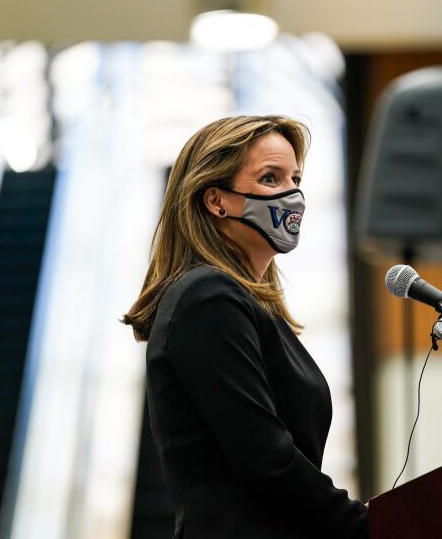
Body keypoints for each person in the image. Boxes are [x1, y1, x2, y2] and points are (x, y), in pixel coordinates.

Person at [121, 115, 369, 538]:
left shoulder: (248, 304)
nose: (291, 195)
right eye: (270, 178)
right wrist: (369, 525)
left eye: (295, 178)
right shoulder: (208, 297)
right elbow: (266, 458)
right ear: (216, 200)